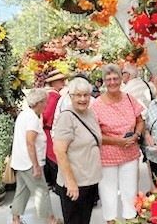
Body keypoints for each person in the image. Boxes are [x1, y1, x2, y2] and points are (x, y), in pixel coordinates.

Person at [91, 64, 145, 224]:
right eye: (108, 79)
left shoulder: (129, 98)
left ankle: (130, 220)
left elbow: (140, 120)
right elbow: (95, 133)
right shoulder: (97, 105)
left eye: (115, 78)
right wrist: (118, 141)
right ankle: (111, 221)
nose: (112, 82)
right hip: (107, 157)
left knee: (130, 192)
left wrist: (136, 134)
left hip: (129, 154)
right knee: (108, 193)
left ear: (121, 79)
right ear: (104, 82)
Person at [53, 78, 102, 224]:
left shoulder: (91, 114)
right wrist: (71, 182)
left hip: (89, 181)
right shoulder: (66, 118)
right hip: (74, 184)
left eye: (86, 95)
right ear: (71, 97)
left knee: (84, 220)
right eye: (78, 95)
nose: (83, 99)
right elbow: (60, 151)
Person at [10, 88, 62, 224]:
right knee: (41, 191)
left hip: (20, 161)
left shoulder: (24, 115)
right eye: (45, 102)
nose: (46, 105)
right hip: (29, 163)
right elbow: (30, 143)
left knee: (22, 190)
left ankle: (15, 219)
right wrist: (36, 166)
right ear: (39, 103)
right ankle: (51, 220)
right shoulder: (32, 118)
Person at [43, 69, 68, 189]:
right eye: (60, 81)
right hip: (49, 129)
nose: (63, 82)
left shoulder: (49, 94)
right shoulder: (54, 96)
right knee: (54, 155)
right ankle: (55, 183)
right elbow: (47, 115)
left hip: (48, 129)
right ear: (53, 82)